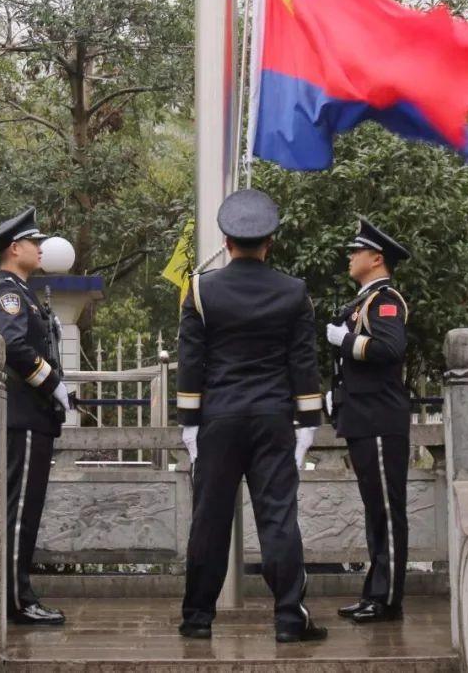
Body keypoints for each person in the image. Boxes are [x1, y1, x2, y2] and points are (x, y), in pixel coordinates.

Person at [176, 188, 328, 644]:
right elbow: (303, 363)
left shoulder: (201, 290)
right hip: (272, 417)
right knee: (278, 517)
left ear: (225, 240)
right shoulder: (294, 292)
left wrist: (189, 423)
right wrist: (307, 423)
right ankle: (288, 617)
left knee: (210, 517)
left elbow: (191, 362)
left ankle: (198, 617)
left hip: (218, 419)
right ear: (270, 243)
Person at [0, 207, 72, 626]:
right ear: (15, 248)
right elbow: (14, 346)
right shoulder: (9, 293)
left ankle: (16, 594)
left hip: (31, 416)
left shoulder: (22, 291)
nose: (41, 248)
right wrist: (50, 381)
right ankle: (16, 600)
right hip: (24, 415)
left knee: (26, 509)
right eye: (34, 242)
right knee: (19, 512)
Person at [325, 216, 411, 624]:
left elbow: (390, 349)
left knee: (386, 512)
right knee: (375, 509)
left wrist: (346, 341)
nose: (351, 257)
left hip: (379, 418)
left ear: (376, 259)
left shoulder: (385, 299)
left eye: (356, 251)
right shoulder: (362, 302)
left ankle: (388, 599)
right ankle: (375, 593)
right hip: (363, 416)